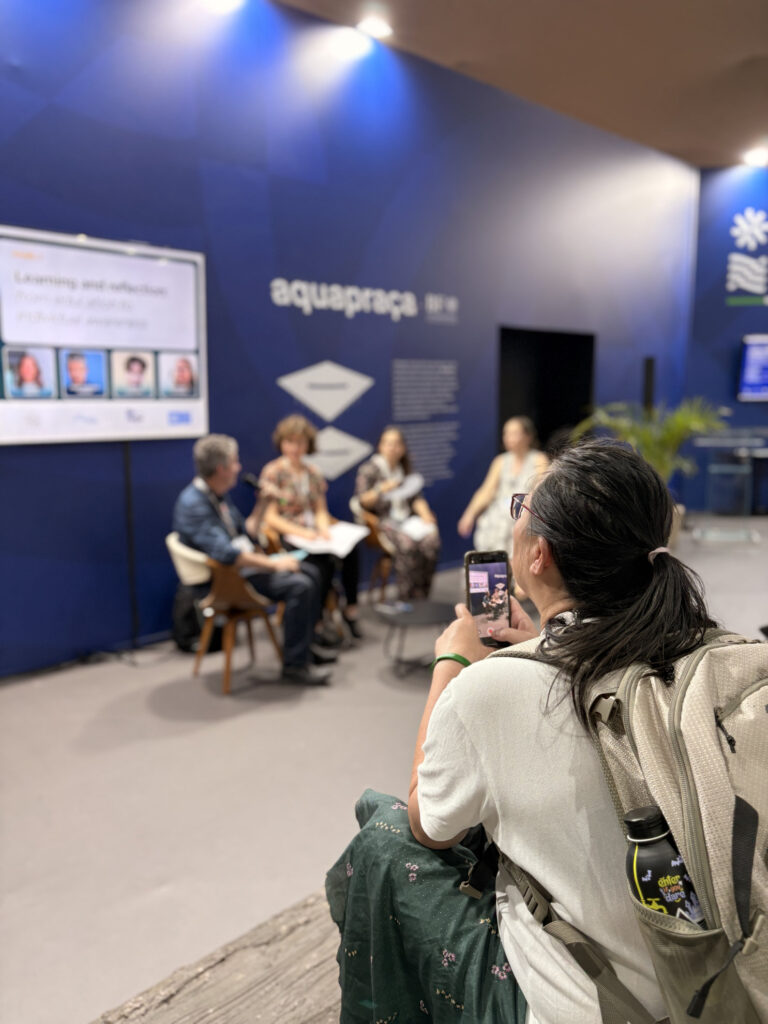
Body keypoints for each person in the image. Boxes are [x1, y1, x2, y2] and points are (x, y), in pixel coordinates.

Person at [327, 440, 716, 1023]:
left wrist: (453, 667)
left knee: (381, 832)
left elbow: (427, 823)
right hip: (701, 982)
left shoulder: (492, 691)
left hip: (579, 1006)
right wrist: (540, 637)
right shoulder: (700, 652)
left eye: (519, 508)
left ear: (540, 555)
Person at [173, 433, 334, 685]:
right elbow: (228, 554)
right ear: (221, 468)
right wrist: (274, 563)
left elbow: (245, 532)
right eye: (235, 462)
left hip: (240, 567)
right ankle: (295, 666)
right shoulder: (194, 504)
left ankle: (305, 650)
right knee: (300, 586)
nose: (239, 468)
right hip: (226, 580)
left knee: (312, 572)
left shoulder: (217, 494)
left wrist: (262, 504)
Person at [259, 414, 362, 640]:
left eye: (301, 442)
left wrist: (323, 529)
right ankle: (314, 622)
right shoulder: (273, 472)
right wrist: (303, 532)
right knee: (320, 564)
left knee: (351, 551)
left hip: (314, 533)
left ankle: (351, 609)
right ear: (282, 443)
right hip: (290, 535)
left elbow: (320, 510)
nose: (296, 447)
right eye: (290, 441)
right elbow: (271, 518)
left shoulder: (313, 472)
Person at [353, 426, 440, 601]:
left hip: (407, 519)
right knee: (407, 545)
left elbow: (416, 497)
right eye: (388, 443)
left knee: (431, 542)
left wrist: (425, 515)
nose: (393, 448)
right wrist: (380, 489)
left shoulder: (405, 469)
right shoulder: (370, 469)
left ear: (403, 448)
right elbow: (361, 501)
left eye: (397, 444)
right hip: (383, 521)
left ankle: (422, 595)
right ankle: (406, 597)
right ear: (380, 446)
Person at [458, 416, 548, 553]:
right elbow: (486, 491)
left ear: (528, 436)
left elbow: (540, 490)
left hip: (525, 511)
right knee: (491, 520)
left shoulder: (539, 459)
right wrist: (469, 514)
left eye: (514, 433)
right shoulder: (500, 461)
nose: (508, 438)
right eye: (506, 433)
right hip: (499, 513)